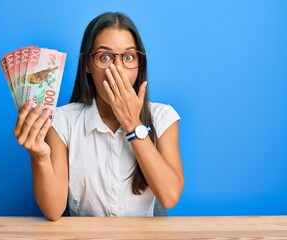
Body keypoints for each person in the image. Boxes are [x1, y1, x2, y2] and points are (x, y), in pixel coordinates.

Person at [13, 12, 184, 221]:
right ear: (87, 64)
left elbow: (170, 197)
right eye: (105, 57)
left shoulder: (162, 117)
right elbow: (53, 210)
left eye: (128, 57)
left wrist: (132, 123)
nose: (117, 69)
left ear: (140, 63)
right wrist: (40, 157)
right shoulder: (62, 121)